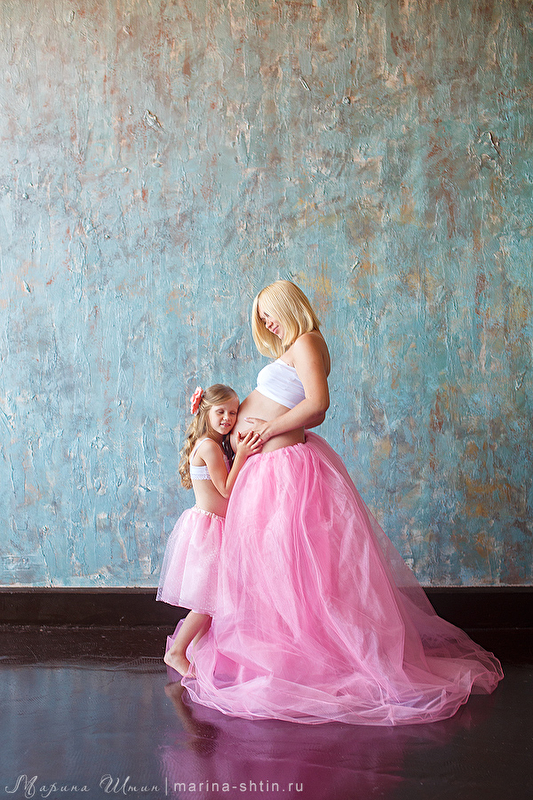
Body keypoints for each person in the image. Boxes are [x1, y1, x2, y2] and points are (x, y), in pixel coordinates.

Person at [177, 281, 504, 726]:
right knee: (274, 568)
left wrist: (265, 430)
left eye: (270, 315)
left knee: (298, 568)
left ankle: (310, 659)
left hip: (284, 470)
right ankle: (282, 654)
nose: (268, 325)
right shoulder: (295, 347)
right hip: (266, 469)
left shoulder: (308, 341)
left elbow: (318, 406)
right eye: (262, 320)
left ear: (289, 306)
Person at [157, 384, 261, 676]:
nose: (227, 418)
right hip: (210, 530)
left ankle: (199, 655)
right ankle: (176, 652)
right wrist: (243, 454)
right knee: (207, 600)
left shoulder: (213, 444)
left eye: (233, 412)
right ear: (206, 412)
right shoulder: (209, 447)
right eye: (221, 412)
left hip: (217, 526)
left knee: (212, 601)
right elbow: (226, 489)